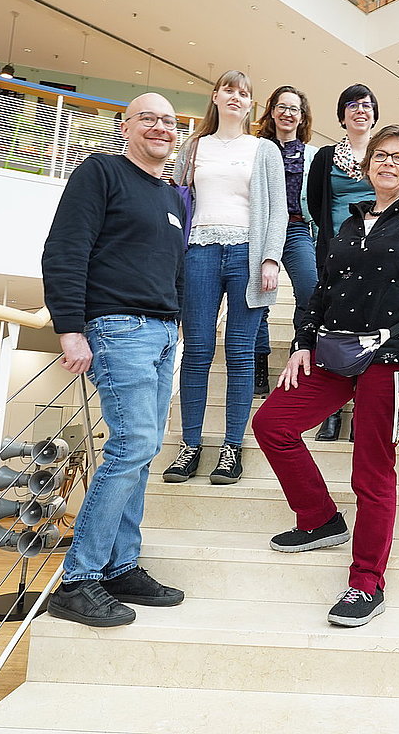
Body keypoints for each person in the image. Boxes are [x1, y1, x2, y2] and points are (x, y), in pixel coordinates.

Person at [252, 124, 399, 627]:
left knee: (371, 472)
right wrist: (301, 343)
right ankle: (319, 518)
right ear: (367, 165)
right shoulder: (349, 222)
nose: (388, 163)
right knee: (272, 423)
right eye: (380, 156)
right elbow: (322, 288)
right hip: (335, 350)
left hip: (393, 354)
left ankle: (366, 583)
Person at [40, 92, 188, 627]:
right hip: (118, 326)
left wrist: (179, 327)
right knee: (134, 445)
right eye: (147, 118)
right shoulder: (99, 173)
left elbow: (171, 268)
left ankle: (121, 565)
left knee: (142, 452)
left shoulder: (173, 197)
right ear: (125, 126)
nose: (159, 127)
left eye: (169, 122)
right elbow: (64, 248)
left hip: (163, 331)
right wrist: (70, 328)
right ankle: (78, 579)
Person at [163, 70, 286, 485]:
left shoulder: (264, 149)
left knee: (239, 353)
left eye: (244, 92)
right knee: (196, 351)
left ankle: (232, 447)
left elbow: (278, 210)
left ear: (252, 104)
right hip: (198, 251)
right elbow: (176, 202)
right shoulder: (194, 147)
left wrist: (270, 258)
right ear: (215, 96)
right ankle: (190, 446)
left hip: (246, 255)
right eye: (229, 90)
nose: (236, 97)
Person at [304, 84, 379, 441]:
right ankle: (331, 411)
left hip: (380, 254)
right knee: (333, 327)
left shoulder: (383, 154)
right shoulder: (325, 157)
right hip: (336, 250)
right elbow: (317, 201)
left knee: (370, 331)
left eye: (367, 105)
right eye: (352, 105)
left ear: (375, 114)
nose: (360, 110)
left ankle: (364, 407)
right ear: (342, 115)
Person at [252, 86, 318, 397]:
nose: (288, 113)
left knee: (310, 289)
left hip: (295, 228)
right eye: (282, 106)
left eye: (294, 108)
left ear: (302, 116)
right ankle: (259, 362)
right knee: (258, 297)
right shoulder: (255, 148)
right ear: (272, 111)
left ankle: (299, 349)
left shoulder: (312, 154)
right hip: (258, 230)